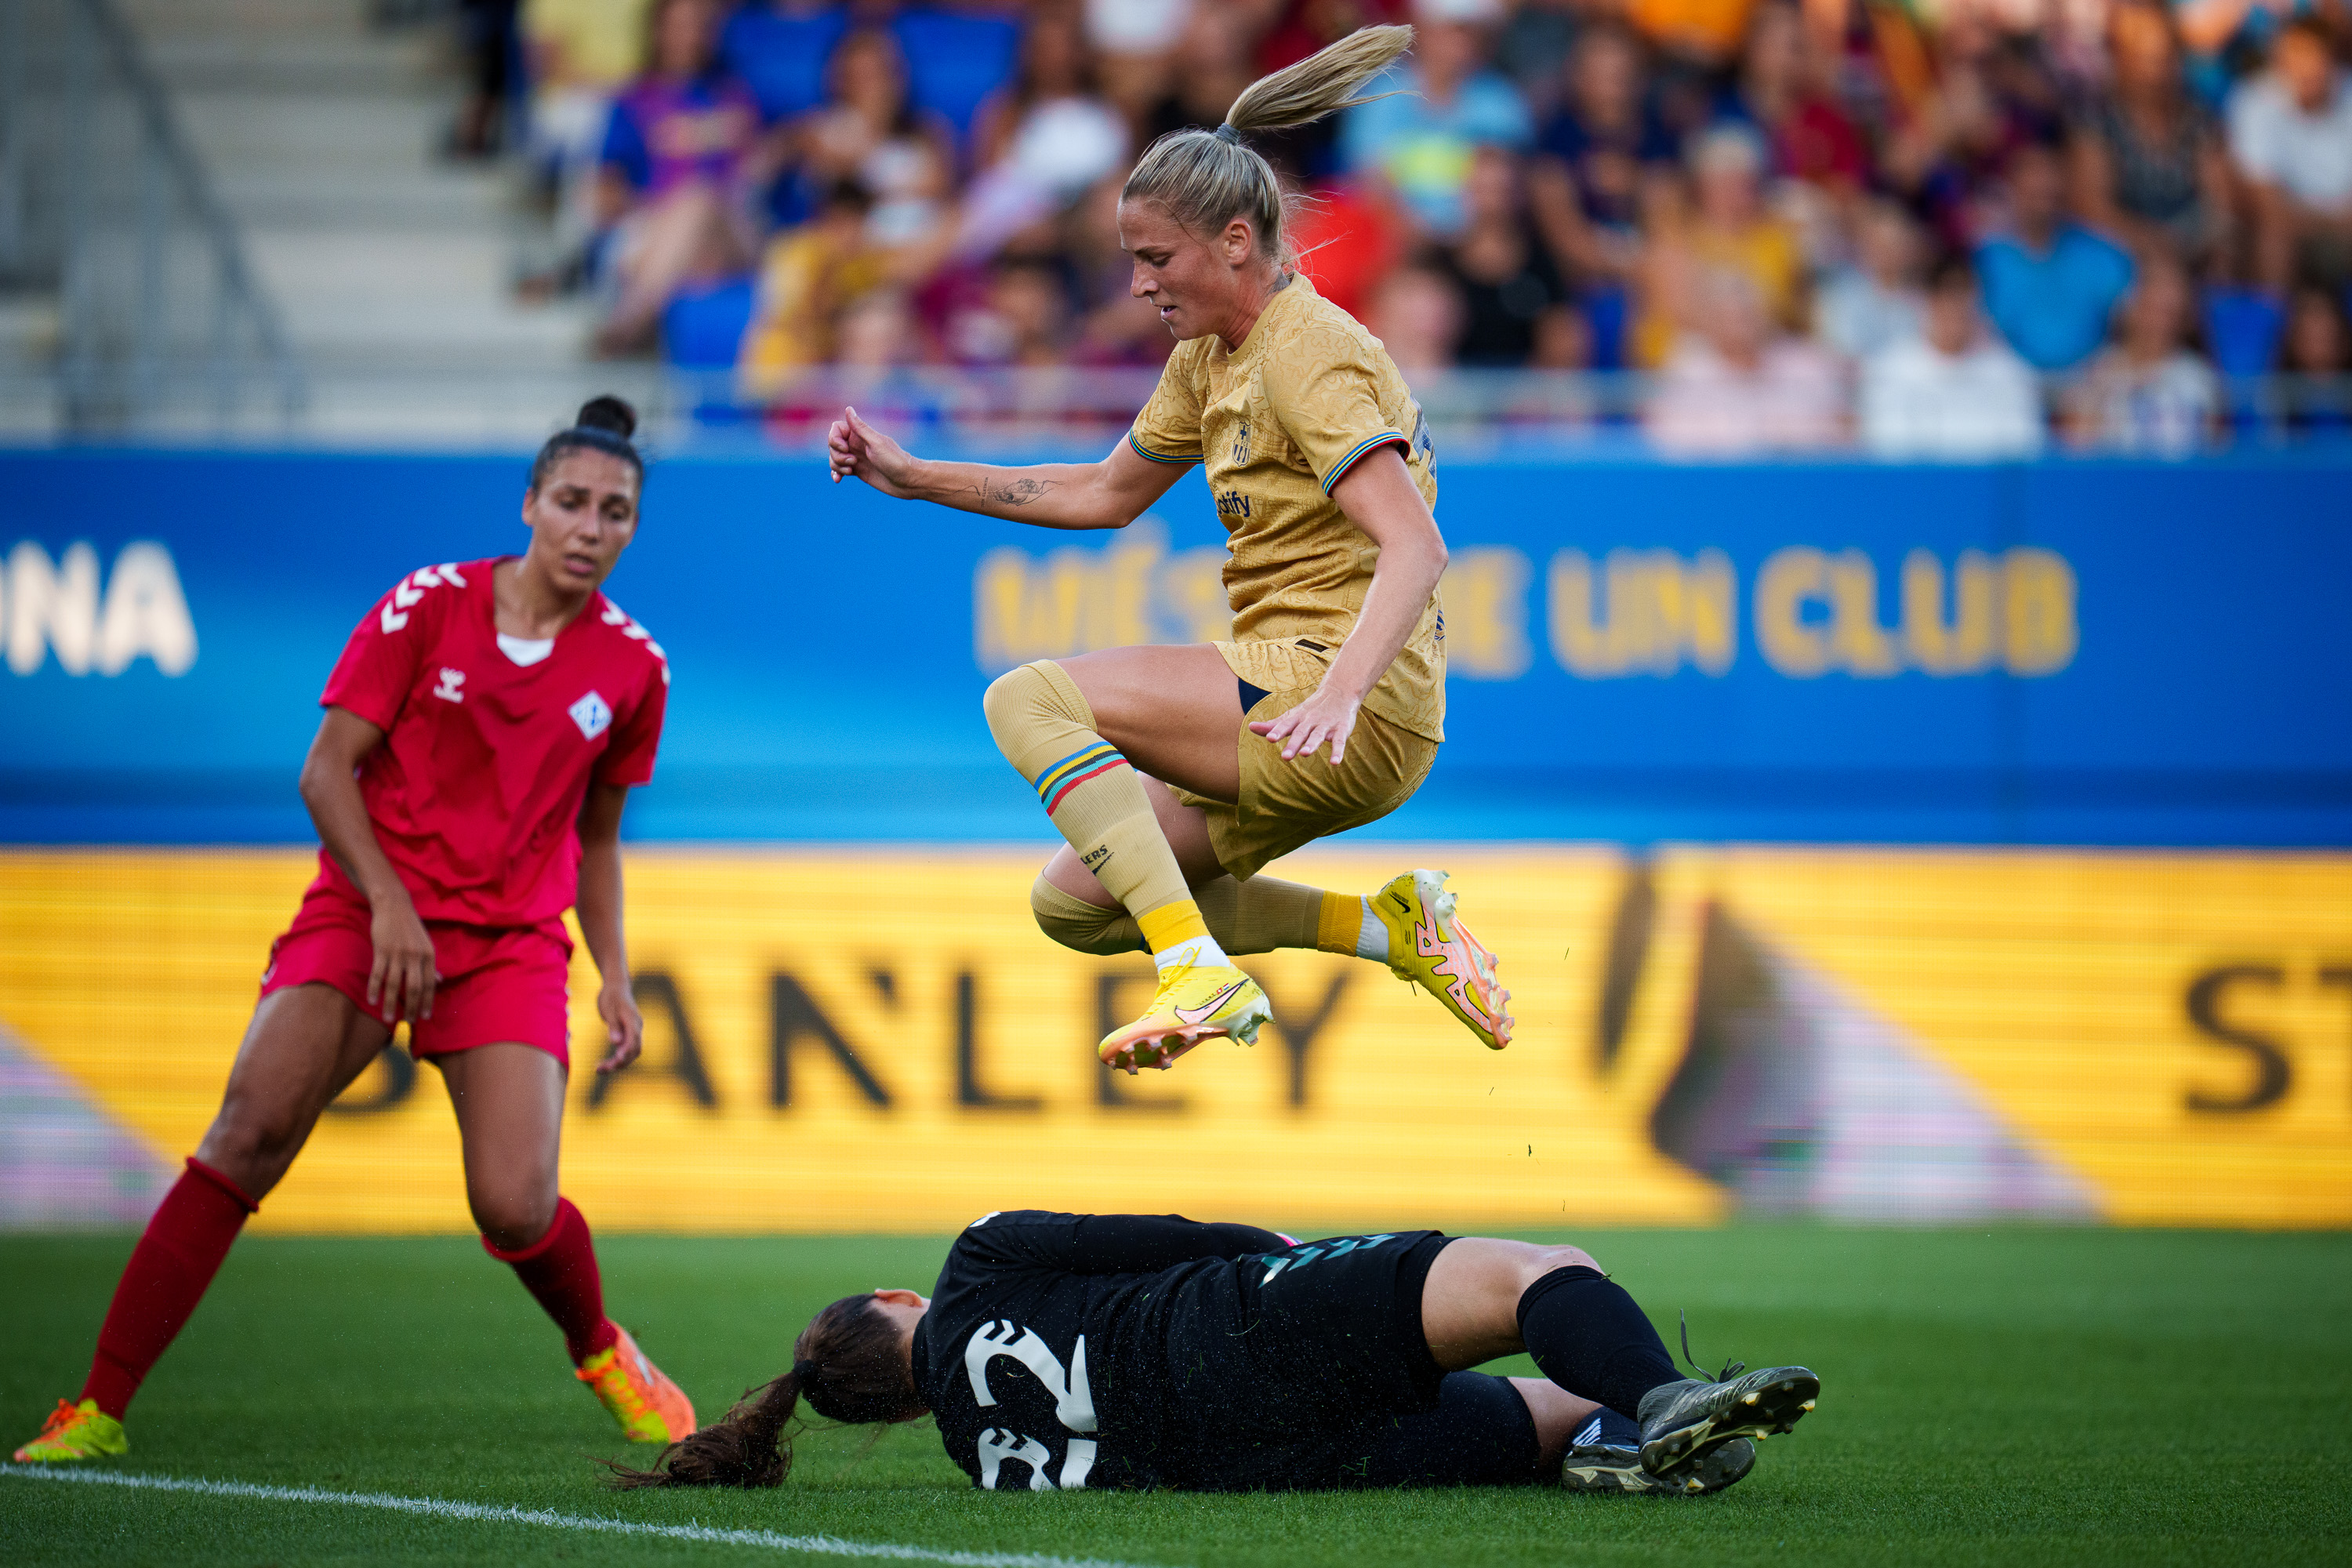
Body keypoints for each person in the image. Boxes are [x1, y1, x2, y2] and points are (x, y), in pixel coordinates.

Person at [824, 25, 1515, 1076]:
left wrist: (1339, 693)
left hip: (1338, 695)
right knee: (1082, 904)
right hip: (1316, 704)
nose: (1141, 285)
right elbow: (1106, 494)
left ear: (1236, 241)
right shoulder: (1209, 355)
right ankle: (1393, 930)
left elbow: (1416, 549)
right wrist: (919, 478)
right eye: (1133, 261)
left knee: (1029, 699)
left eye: (1157, 259)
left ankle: (1195, 969)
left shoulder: (1309, 351)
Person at [12, 399, 691, 1465]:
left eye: (616, 512)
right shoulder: (429, 603)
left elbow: (597, 840)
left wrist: (615, 976)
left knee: (515, 1207)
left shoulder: (635, 668)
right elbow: (326, 770)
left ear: (632, 529)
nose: (590, 526)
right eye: (571, 501)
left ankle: (603, 1349)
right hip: (369, 910)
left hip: (509, 939)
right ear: (529, 505)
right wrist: (388, 905)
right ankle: (93, 1410)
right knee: (248, 1138)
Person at [611, 1209, 1822, 1495]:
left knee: (1539, 1411)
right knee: (1537, 1272)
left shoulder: (984, 1464)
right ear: (895, 1298)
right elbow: (1158, 1238)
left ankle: (1607, 1445)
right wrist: (1291, 1254)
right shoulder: (973, 1262)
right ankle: (1661, 1396)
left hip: (1267, 1456)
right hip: (1236, 1326)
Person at [591, 0, 776, 355]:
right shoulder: (632, 102)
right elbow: (606, 195)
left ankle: (629, 322)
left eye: (697, 26)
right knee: (689, 228)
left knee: (699, 200)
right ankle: (656, 317)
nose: (689, 37)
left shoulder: (734, 97)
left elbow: (760, 174)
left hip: (733, 231)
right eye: (679, 26)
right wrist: (664, 208)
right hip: (655, 231)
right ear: (657, 32)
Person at [2071, 2, 2233, 268]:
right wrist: (2150, 241)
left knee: (2226, 244)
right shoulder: (2096, 120)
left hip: (2189, 239)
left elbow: (2218, 199)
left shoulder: (2197, 120)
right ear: (2122, 60)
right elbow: (2091, 206)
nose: (2158, 70)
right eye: (2146, 58)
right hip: (2124, 247)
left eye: (2166, 58)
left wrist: (2207, 238)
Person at [1860, 252, 2045, 458]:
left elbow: (2024, 451)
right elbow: (1887, 452)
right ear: (1928, 301)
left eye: (1963, 296)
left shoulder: (2008, 374)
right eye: (1945, 296)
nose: (1955, 308)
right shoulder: (1890, 371)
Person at [1975, 141, 2136, 373]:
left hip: (2091, 381)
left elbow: (2132, 328)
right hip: (2009, 380)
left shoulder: (2102, 254)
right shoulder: (1986, 259)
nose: (2043, 197)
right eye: (2034, 192)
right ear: (2012, 188)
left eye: (2049, 192)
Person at [2229, 15, 2352, 292]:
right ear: (2279, 61)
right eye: (2295, 58)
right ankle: (2272, 329)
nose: (2306, 69)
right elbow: (2267, 204)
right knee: (2274, 238)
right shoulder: (2255, 101)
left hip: (2341, 231)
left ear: (2334, 62)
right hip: (2298, 232)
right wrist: (2330, 221)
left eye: (2315, 57)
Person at [2065, 255, 2222, 453]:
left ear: (2184, 319)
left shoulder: (2199, 379)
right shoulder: (2095, 374)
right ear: (2129, 309)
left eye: (2168, 312)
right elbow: (2077, 450)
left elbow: (2214, 455)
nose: (2157, 322)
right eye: (2150, 307)